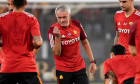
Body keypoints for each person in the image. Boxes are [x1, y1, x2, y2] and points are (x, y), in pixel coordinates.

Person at [48, 5, 96, 84]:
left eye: (64, 17)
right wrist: (57, 37)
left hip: (79, 67)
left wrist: (92, 61)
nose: (62, 20)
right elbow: (57, 53)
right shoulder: (52, 30)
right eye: (59, 18)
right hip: (63, 69)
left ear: (69, 15)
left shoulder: (76, 24)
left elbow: (85, 42)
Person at [0, 0, 43, 84]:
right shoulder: (31, 19)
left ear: (12, 3)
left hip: (7, 66)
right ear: (26, 3)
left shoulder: (1, 18)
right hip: (27, 66)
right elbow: (38, 43)